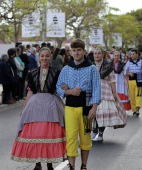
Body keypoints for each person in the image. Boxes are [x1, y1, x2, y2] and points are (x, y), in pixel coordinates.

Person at [11, 47, 66, 170]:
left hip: (51, 106)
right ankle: (37, 163)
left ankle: (50, 163)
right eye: (42, 56)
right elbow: (30, 92)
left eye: (47, 56)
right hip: (35, 106)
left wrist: (64, 101)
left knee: (49, 134)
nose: (44, 58)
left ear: (50, 57)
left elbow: (59, 90)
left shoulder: (56, 72)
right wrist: (25, 109)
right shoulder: (32, 72)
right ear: (39, 57)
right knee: (36, 134)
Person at [56, 39, 101, 170]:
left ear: (84, 51)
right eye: (74, 50)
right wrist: (69, 91)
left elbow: (97, 88)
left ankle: (84, 165)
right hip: (70, 107)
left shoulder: (92, 68)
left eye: (79, 50)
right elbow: (58, 87)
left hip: (86, 108)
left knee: (86, 138)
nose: (76, 53)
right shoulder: (66, 69)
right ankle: (72, 166)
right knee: (71, 137)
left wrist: (94, 107)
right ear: (71, 52)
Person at [91, 48, 127, 142]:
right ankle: (94, 130)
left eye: (99, 53)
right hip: (93, 92)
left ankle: (101, 133)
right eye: (95, 53)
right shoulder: (90, 66)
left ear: (102, 54)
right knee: (95, 113)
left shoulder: (108, 66)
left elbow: (112, 80)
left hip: (105, 92)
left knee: (102, 113)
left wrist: (114, 93)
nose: (97, 55)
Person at [124, 49, 142, 116]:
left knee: (138, 95)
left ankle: (137, 108)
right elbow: (125, 72)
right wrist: (129, 73)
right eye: (131, 54)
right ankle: (134, 109)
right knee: (132, 96)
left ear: (137, 54)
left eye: (133, 54)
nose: (132, 56)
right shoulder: (128, 62)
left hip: (139, 80)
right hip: (131, 80)